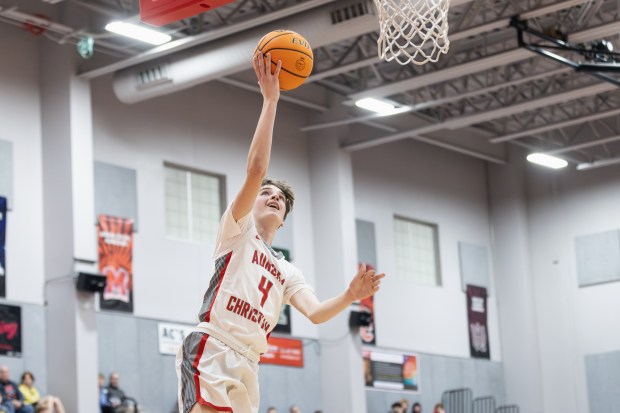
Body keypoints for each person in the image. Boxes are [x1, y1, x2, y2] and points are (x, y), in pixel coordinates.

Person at [175, 51, 385, 413]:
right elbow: (256, 169)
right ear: (252, 204)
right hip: (213, 346)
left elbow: (316, 314)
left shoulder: (287, 270)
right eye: (266, 194)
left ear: (284, 218)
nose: (272, 197)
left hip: (249, 364)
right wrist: (271, 99)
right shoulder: (237, 231)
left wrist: (350, 295)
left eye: (280, 199)